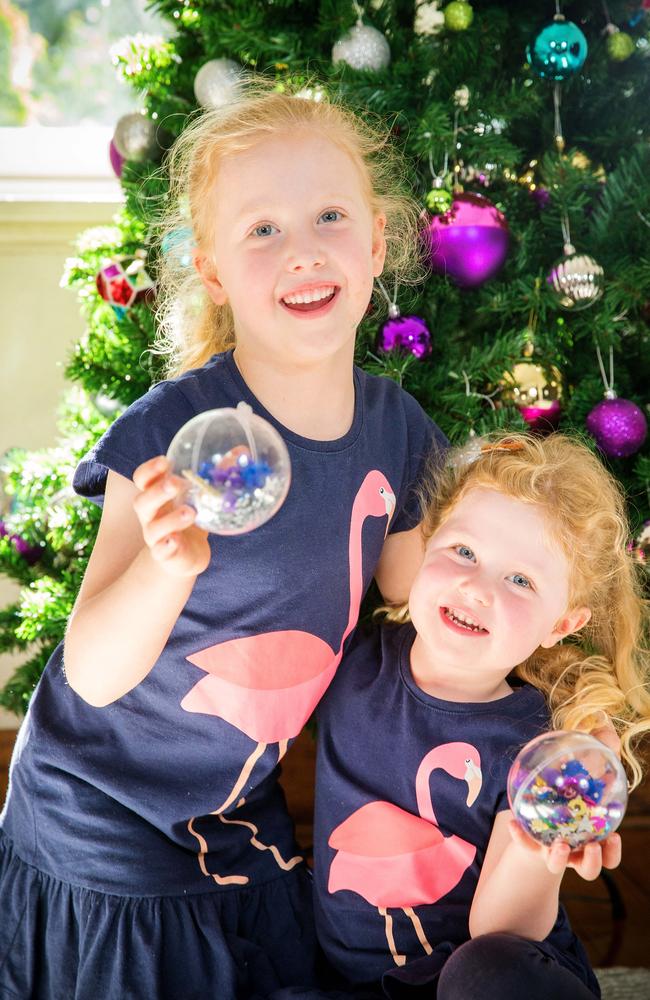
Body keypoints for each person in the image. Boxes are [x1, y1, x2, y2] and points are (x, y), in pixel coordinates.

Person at [0, 83, 447, 999]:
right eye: (263, 230)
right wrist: (166, 570)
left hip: (236, 807)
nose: (304, 250)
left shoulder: (396, 429)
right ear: (211, 272)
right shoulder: (176, 430)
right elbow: (90, 669)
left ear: (375, 243)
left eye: (329, 216)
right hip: (106, 814)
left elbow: (409, 581)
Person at [311, 432, 650, 1000]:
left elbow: (498, 933)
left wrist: (534, 839)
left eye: (521, 580)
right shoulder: (354, 659)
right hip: (349, 982)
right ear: (424, 549)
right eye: (463, 552)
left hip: (479, 978)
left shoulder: (534, 751)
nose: (477, 588)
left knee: (485, 972)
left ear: (559, 626)